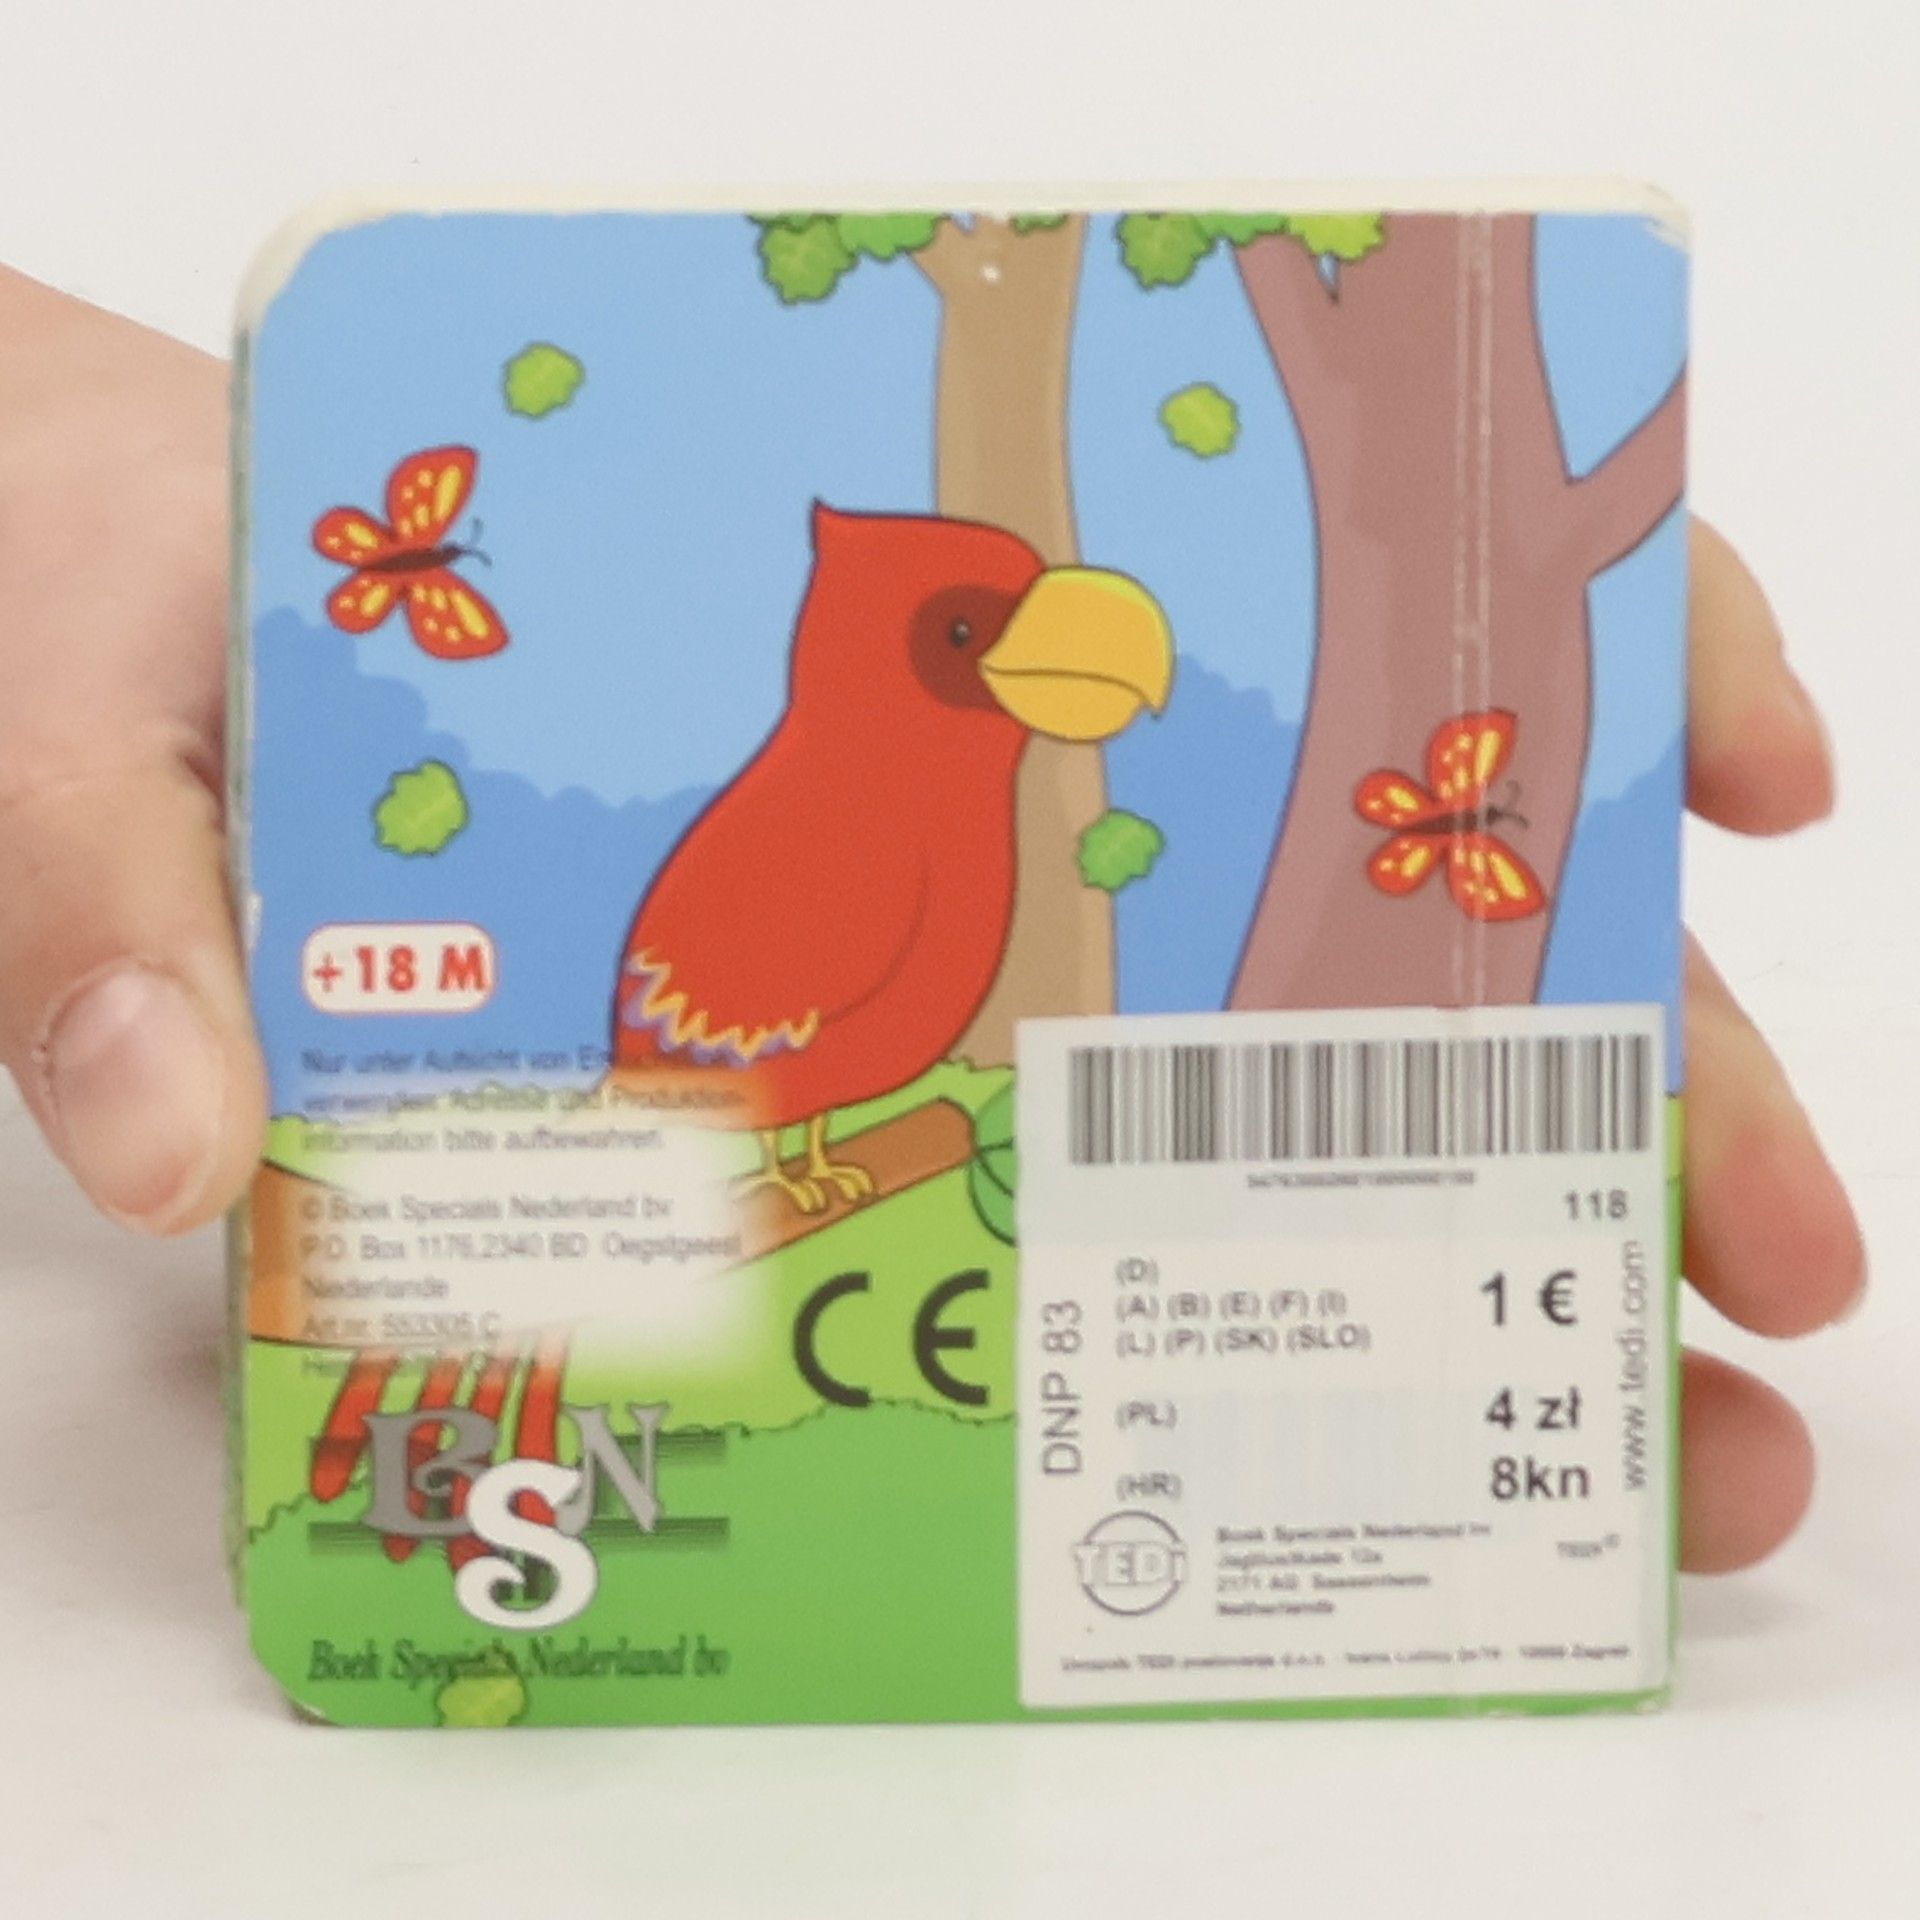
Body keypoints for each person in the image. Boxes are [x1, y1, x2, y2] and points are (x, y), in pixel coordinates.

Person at [0, 264, 1864, 1575]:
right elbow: (712, 1046)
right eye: (972, 631)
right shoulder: (838, 822)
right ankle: (440, 1455)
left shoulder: (957, 805)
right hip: (690, 1120)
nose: (1028, 652)